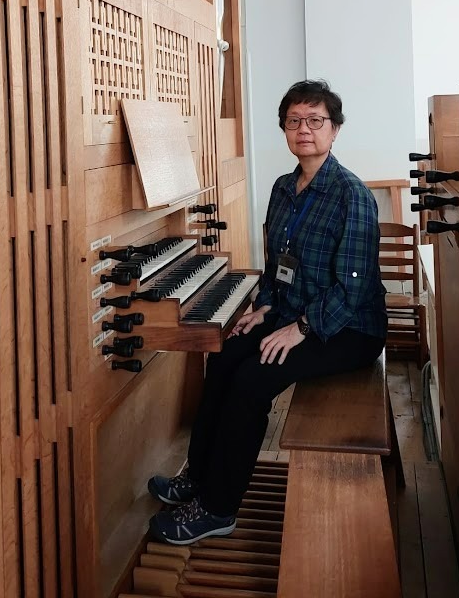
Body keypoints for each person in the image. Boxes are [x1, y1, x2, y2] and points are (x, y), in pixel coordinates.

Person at [147, 79, 387, 546]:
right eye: (295, 121)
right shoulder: (283, 189)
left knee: (252, 379)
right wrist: (264, 306)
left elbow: (354, 286)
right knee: (223, 357)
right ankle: (197, 478)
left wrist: (300, 328)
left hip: (348, 327)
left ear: (334, 130)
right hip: (292, 312)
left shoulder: (350, 194)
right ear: (283, 129)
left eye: (316, 121)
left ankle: (219, 508)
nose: (305, 129)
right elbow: (280, 265)